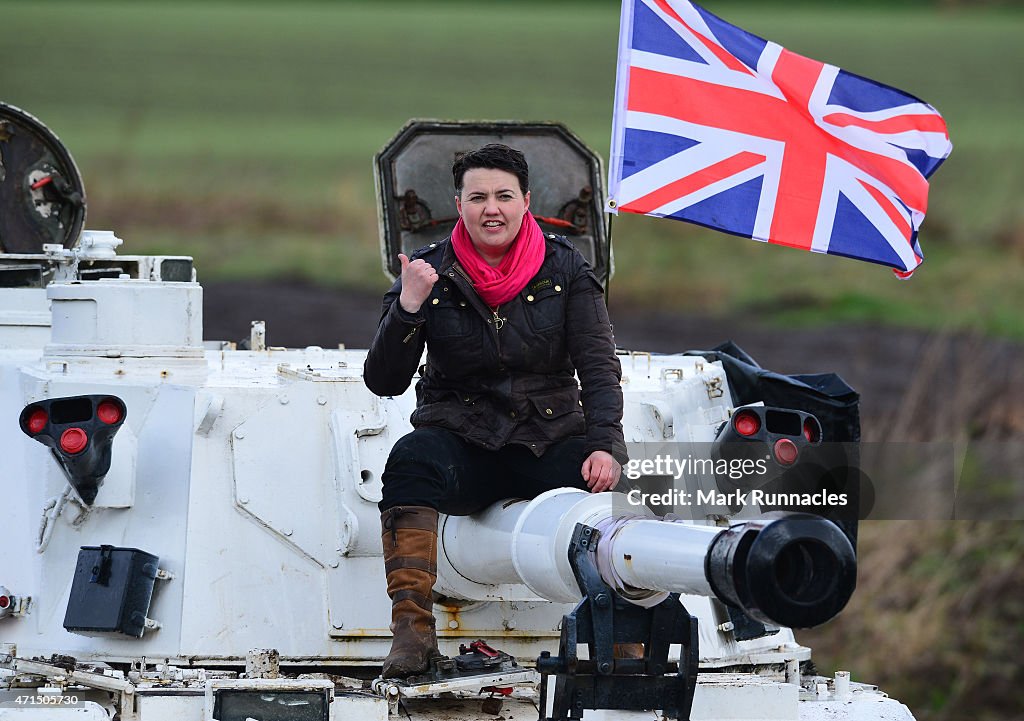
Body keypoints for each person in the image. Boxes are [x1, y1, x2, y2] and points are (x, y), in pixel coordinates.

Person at [364, 143, 626, 679]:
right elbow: (383, 380)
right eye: (478, 196)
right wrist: (410, 306)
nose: (492, 209)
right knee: (411, 460)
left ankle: (623, 640)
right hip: (462, 440)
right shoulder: (428, 271)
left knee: (615, 500)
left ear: (526, 201)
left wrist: (605, 445)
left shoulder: (566, 269)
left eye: (504, 196)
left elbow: (599, 368)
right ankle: (412, 634)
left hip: (546, 439)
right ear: (458, 203)